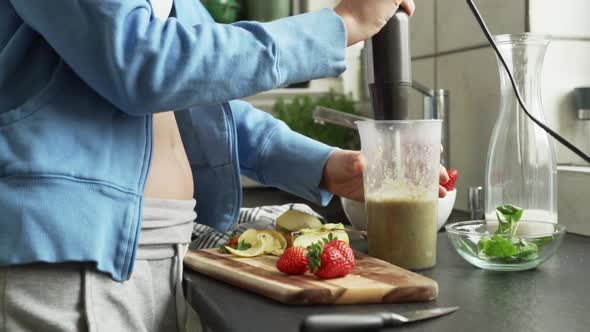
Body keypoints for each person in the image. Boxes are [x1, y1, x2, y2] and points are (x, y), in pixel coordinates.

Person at [0, 0, 447, 331]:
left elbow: (210, 108)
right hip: (66, 257)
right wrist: (341, 26)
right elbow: (144, 64)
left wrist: (325, 165)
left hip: (158, 251)